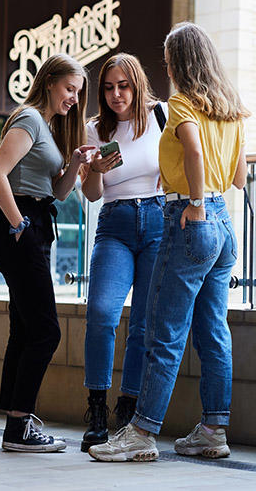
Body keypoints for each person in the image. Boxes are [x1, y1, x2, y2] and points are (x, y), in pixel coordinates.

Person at [89, 23, 249, 462]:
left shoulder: (181, 104)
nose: (166, 67)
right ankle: (213, 430)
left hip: (190, 219)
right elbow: (238, 175)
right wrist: (203, 194)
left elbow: (194, 151)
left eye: (167, 60)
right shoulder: (229, 107)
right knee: (213, 332)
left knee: (164, 332)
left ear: (178, 61)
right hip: (223, 224)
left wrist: (194, 201)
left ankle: (141, 433)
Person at [0, 53, 93, 453]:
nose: (73, 98)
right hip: (20, 224)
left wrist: (76, 164)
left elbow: (60, 193)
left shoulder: (47, 127)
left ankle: (16, 422)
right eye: (69, 89)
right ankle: (19, 424)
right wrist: (18, 225)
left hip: (33, 222)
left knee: (27, 328)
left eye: (78, 92)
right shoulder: (30, 118)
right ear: (49, 81)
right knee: (47, 331)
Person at [80, 53, 168, 452]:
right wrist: (95, 171)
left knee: (144, 326)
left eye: (124, 86)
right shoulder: (94, 128)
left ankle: (128, 409)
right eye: (109, 87)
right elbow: (92, 195)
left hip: (157, 220)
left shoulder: (161, 116)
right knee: (101, 314)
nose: (117, 95)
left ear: (137, 84)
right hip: (114, 222)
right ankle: (96, 409)